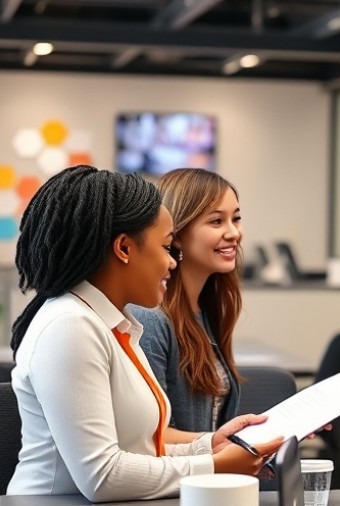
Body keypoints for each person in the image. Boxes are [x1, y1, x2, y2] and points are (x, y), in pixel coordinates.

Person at [7, 165, 282, 502]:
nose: (172, 263)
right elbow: (103, 476)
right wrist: (214, 465)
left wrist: (210, 444)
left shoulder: (115, 324)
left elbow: (141, 449)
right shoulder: (69, 326)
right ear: (124, 248)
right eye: (167, 247)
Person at [131, 169, 243, 436]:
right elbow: (150, 435)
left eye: (236, 219)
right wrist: (224, 445)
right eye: (216, 222)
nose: (233, 233)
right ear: (175, 233)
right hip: (176, 477)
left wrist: (280, 431)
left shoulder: (205, 311)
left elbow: (215, 425)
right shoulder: (149, 318)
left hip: (206, 475)